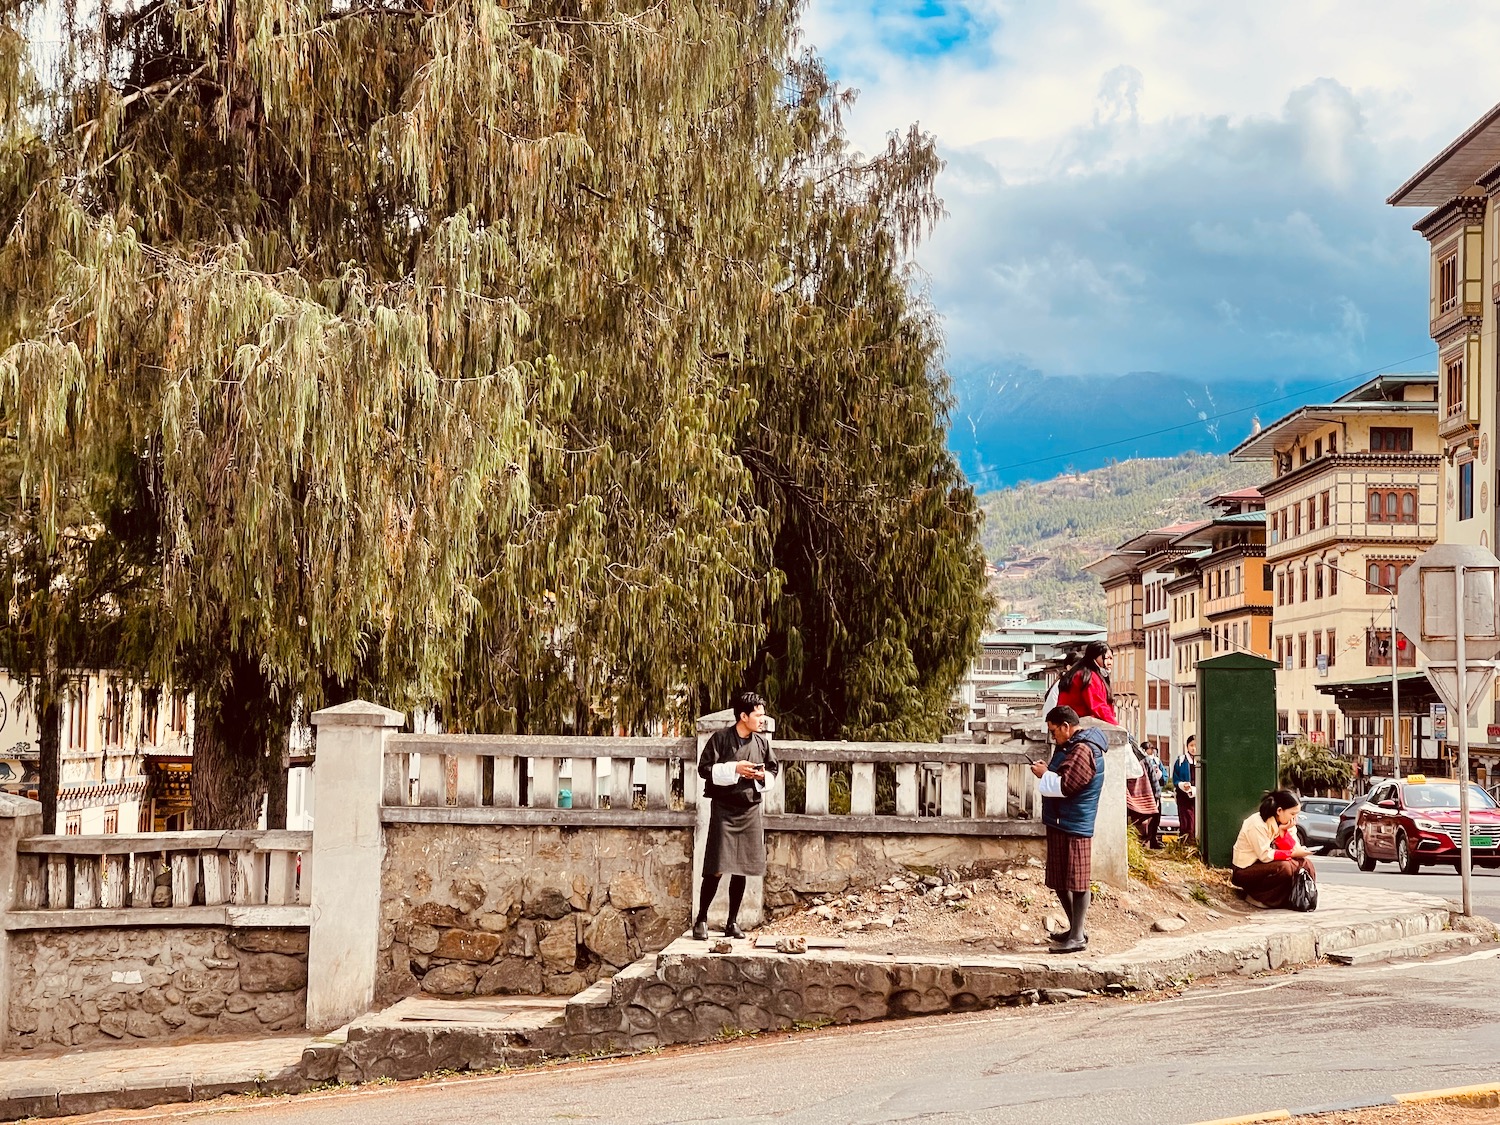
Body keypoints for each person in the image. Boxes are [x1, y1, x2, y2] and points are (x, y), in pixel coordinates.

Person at [693, 690, 779, 940]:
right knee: (717, 867)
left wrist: (762, 776)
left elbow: (773, 769)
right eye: (758, 715)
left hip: (750, 809)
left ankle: (732, 921)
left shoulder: (762, 743)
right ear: (743, 716)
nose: (762, 719)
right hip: (724, 810)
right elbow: (704, 769)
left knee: (741, 868)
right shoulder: (719, 739)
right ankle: (702, 919)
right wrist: (734, 769)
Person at [1030, 705, 1109, 954]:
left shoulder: (1083, 749)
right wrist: (1048, 771)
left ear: (1066, 726)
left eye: (1054, 732)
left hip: (1075, 822)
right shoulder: (1069, 747)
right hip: (1060, 820)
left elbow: (1067, 786)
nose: (1053, 737)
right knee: (1060, 879)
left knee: (1077, 881)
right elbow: (1061, 774)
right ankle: (1076, 930)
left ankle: (1077, 936)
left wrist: (1044, 775)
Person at [1230, 790, 1316, 908]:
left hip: (1267, 864)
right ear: (1279, 811)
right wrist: (1292, 853)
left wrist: (1283, 834)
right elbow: (1265, 855)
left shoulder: (1287, 823)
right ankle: (1260, 897)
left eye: (1297, 814)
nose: (1295, 818)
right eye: (1292, 814)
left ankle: (1303, 898)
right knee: (1285, 868)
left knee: (1306, 864)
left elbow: (1296, 847)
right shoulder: (1257, 824)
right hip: (1246, 869)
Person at [1055, 641, 1117, 724]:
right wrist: (1115, 724)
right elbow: (1098, 706)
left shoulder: (1081, 673)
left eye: (1111, 658)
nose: (1109, 662)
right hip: (1078, 723)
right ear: (1094, 657)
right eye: (1106, 658)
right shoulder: (1088, 677)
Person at [1127, 739, 1162, 848]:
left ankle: (1146, 843)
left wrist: (1156, 796)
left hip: (1135, 799)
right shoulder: (1144, 759)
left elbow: (1154, 779)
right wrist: (1156, 796)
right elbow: (1154, 780)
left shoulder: (1143, 759)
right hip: (1141, 798)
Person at [1172, 734, 1197, 847]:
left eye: (1196, 745)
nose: (1193, 748)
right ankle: (1185, 845)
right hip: (1184, 798)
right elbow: (1176, 779)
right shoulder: (1181, 761)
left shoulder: (1202, 761)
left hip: (1198, 797)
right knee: (1186, 822)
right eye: (1191, 745)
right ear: (1187, 746)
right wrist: (1182, 785)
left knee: (1195, 823)